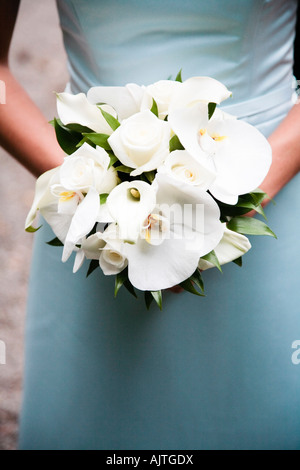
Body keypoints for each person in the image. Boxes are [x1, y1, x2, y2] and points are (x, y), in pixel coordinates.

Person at [1, 0, 299, 450]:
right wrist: (96, 195)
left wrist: (244, 201)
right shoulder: (92, 199)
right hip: (91, 209)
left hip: (266, 180)